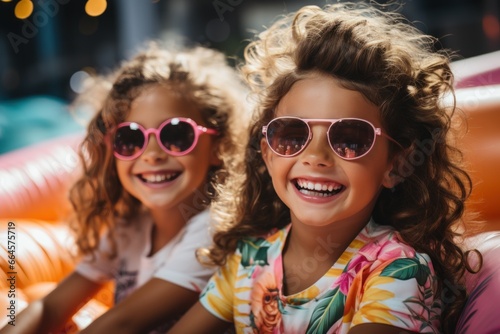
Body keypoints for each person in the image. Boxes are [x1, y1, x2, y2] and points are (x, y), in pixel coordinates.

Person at [168, 2, 474, 334]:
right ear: (267, 152)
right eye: (291, 134)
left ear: (395, 164)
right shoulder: (248, 260)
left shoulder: (397, 271)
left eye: (351, 139)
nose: (315, 156)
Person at [0, 42, 247, 333]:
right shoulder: (130, 228)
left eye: (176, 134)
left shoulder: (214, 229)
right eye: (130, 138)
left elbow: (123, 323)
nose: (152, 154)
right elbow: (48, 307)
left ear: (219, 146)